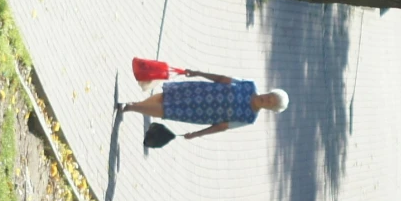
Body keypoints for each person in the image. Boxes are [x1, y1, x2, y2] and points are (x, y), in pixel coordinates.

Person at [119, 69, 287, 139]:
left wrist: (197, 134)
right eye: (269, 96)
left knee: (167, 110)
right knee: (165, 97)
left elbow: (222, 126)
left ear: (269, 109)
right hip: (200, 90)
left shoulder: (249, 117)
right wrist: (198, 73)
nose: (266, 99)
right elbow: (223, 79)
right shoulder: (249, 85)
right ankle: (135, 106)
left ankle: (132, 107)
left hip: (200, 112)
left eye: (269, 102)